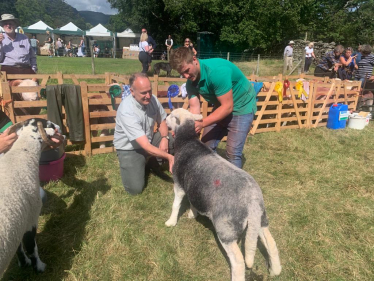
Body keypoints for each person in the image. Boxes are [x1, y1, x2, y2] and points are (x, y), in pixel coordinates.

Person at [169, 47, 257, 169]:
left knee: (232, 153)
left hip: (242, 106)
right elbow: (195, 110)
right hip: (221, 105)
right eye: (182, 73)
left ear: (194, 59)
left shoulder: (216, 73)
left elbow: (228, 107)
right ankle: (214, 176)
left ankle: (234, 186)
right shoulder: (191, 82)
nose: (185, 76)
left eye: (187, 71)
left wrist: (202, 123)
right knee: (206, 145)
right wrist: (184, 128)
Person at [113, 73, 174, 195]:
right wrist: (169, 157)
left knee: (174, 139)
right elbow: (145, 145)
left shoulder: (153, 99)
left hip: (148, 139)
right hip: (130, 149)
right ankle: (136, 163)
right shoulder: (127, 110)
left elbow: (162, 120)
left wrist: (164, 138)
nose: (148, 96)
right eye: (143, 93)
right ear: (132, 91)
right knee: (135, 189)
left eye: (150, 91)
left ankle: (149, 162)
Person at [0, 14, 38, 79]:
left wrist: (33, 68)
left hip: (26, 68)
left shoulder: (24, 38)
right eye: (6, 24)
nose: (8, 26)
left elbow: (32, 56)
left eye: (10, 24)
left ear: (15, 26)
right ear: (3, 26)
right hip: (8, 69)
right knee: (12, 86)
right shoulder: (1, 38)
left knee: (35, 85)